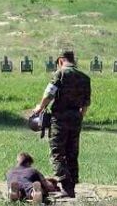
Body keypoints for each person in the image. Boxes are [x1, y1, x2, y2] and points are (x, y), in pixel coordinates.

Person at [32, 50, 91, 198]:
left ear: (60, 61)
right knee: (72, 152)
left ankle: (66, 185)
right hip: (76, 118)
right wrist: (78, 117)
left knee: (57, 153)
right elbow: (85, 104)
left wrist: (40, 108)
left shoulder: (60, 74)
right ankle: (71, 186)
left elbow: (50, 93)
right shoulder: (85, 78)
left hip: (59, 119)